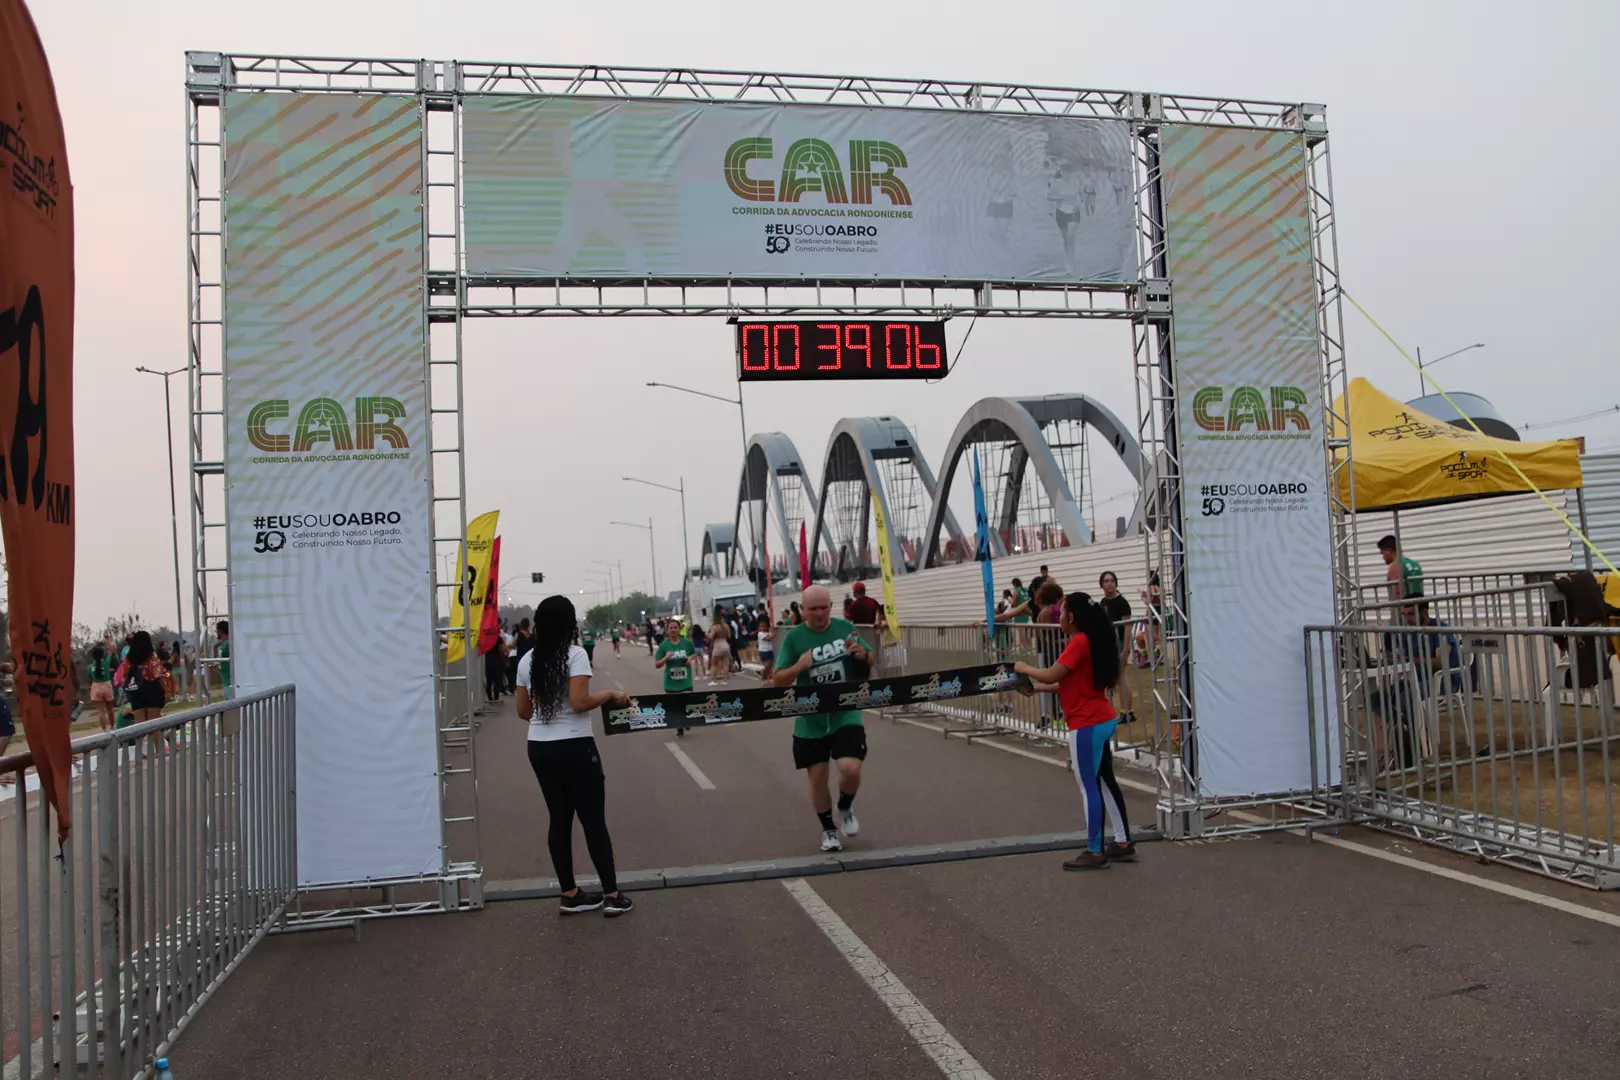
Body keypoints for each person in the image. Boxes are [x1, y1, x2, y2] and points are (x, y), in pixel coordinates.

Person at [515, 595, 633, 918]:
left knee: (559, 818)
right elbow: (580, 702)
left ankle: (570, 894)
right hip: (576, 746)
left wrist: (547, 720)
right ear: (569, 624)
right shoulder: (575, 655)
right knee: (593, 820)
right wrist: (609, 694)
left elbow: (523, 711)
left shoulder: (526, 661)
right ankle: (612, 895)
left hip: (539, 747)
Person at [1015, 592, 1135, 870]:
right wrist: (1038, 689)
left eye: (1061, 613)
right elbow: (1068, 682)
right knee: (1105, 782)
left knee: (1089, 788)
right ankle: (1122, 842)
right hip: (1101, 718)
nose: (1058, 617)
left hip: (1086, 724)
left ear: (1071, 617)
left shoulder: (1079, 641)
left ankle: (1095, 851)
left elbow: (1052, 673)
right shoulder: (1091, 639)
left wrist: (1023, 667)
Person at [772, 585, 871, 853]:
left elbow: (870, 658)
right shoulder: (794, 638)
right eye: (813, 609)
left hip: (845, 712)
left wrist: (862, 655)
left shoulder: (845, 629)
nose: (819, 614)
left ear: (831, 607)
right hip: (811, 720)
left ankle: (845, 806)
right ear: (802, 609)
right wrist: (799, 667)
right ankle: (828, 829)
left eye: (823, 608)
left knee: (850, 768)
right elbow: (777, 679)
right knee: (817, 777)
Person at [1098, 572, 1135, 724]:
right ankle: (1122, 711)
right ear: (1102, 584)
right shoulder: (1103, 602)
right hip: (1109, 644)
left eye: (1112, 581)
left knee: (1121, 677)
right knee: (1116, 678)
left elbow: (1127, 626)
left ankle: (1128, 712)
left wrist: (1125, 649)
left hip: (1119, 643)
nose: (1109, 583)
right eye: (1106, 581)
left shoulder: (1122, 603)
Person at [116, 631, 170, 730]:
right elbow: (159, 676)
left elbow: (124, 675)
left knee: (139, 723)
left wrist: (129, 689)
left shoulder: (129, 657)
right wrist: (166, 692)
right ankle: (156, 741)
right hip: (152, 690)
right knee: (154, 723)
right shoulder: (152, 656)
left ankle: (140, 740)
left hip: (136, 692)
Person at [654, 621, 698, 738]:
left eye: (675, 627)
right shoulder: (664, 645)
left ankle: (686, 720)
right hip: (671, 683)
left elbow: (693, 654)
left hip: (686, 681)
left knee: (687, 702)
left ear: (679, 629)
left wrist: (690, 658)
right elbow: (657, 664)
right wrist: (665, 657)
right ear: (667, 630)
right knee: (676, 706)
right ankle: (680, 727)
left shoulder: (686, 643)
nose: (673, 630)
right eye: (671, 628)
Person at [1378, 535, 1425, 624]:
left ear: (1388, 550)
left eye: (1382, 553)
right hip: (1419, 613)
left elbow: (1397, 594)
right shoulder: (1415, 564)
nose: (1382, 557)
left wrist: (1395, 621)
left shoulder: (1395, 566)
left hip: (1404, 616)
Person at [88, 644, 117, 732]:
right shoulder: (106, 663)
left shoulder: (90, 667)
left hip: (96, 687)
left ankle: (104, 730)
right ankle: (112, 727)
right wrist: (108, 643)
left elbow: (90, 677)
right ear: (102, 654)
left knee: (101, 711)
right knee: (110, 709)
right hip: (106, 686)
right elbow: (110, 652)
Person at [706, 612, 732, 685]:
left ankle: (713, 681)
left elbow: (711, 637)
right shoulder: (726, 626)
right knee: (726, 664)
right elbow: (729, 636)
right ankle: (725, 681)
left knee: (714, 664)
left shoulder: (715, 627)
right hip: (725, 644)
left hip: (718, 645)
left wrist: (707, 635)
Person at [215, 620, 233, 699]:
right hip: (226, 680)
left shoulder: (229, 644)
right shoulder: (224, 644)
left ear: (220, 631)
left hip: (230, 680)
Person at [757, 611, 776, 680]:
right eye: (761, 626)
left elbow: (771, 628)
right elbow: (768, 639)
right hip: (763, 651)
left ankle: (767, 678)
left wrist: (771, 626)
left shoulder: (768, 632)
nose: (763, 627)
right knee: (767, 666)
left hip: (769, 650)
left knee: (770, 665)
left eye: (764, 626)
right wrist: (773, 634)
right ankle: (763, 677)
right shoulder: (760, 634)